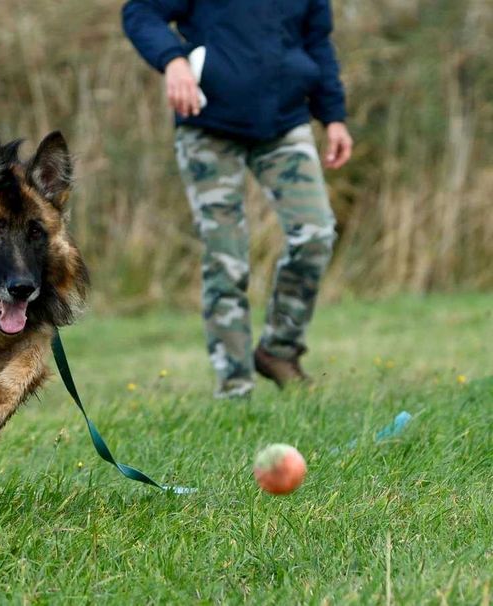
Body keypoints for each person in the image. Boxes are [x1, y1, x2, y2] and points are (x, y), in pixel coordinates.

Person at [122, 0, 353, 399]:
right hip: (208, 124)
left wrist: (333, 116)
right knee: (226, 258)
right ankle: (234, 388)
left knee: (315, 235)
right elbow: (140, 12)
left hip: (284, 123)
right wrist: (173, 60)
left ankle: (279, 350)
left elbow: (318, 42)